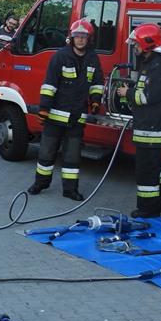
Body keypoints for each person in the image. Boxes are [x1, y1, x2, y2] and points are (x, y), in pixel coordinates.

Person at [28, 19, 105, 202]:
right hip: (55, 115)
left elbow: (96, 83)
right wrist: (44, 109)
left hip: (77, 116)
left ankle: (70, 190)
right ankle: (40, 183)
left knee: (72, 156)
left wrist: (95, 101)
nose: (80, 39)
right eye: (77, 36)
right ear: (71, 37)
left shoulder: (93, 58)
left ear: (89, 38)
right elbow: (49, 85)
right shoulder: (60, 57)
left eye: (84, 36)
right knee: (47, 152)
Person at [117, 23, 161, 218]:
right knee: (154, 167)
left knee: (146, 170)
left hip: (151, 127)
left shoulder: (157, 66)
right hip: (148, 124)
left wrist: (128, 93)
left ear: (147, 44)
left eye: (137, 44)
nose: (134, 47)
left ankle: (148, 208)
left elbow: (148, 97)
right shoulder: (150, 64)